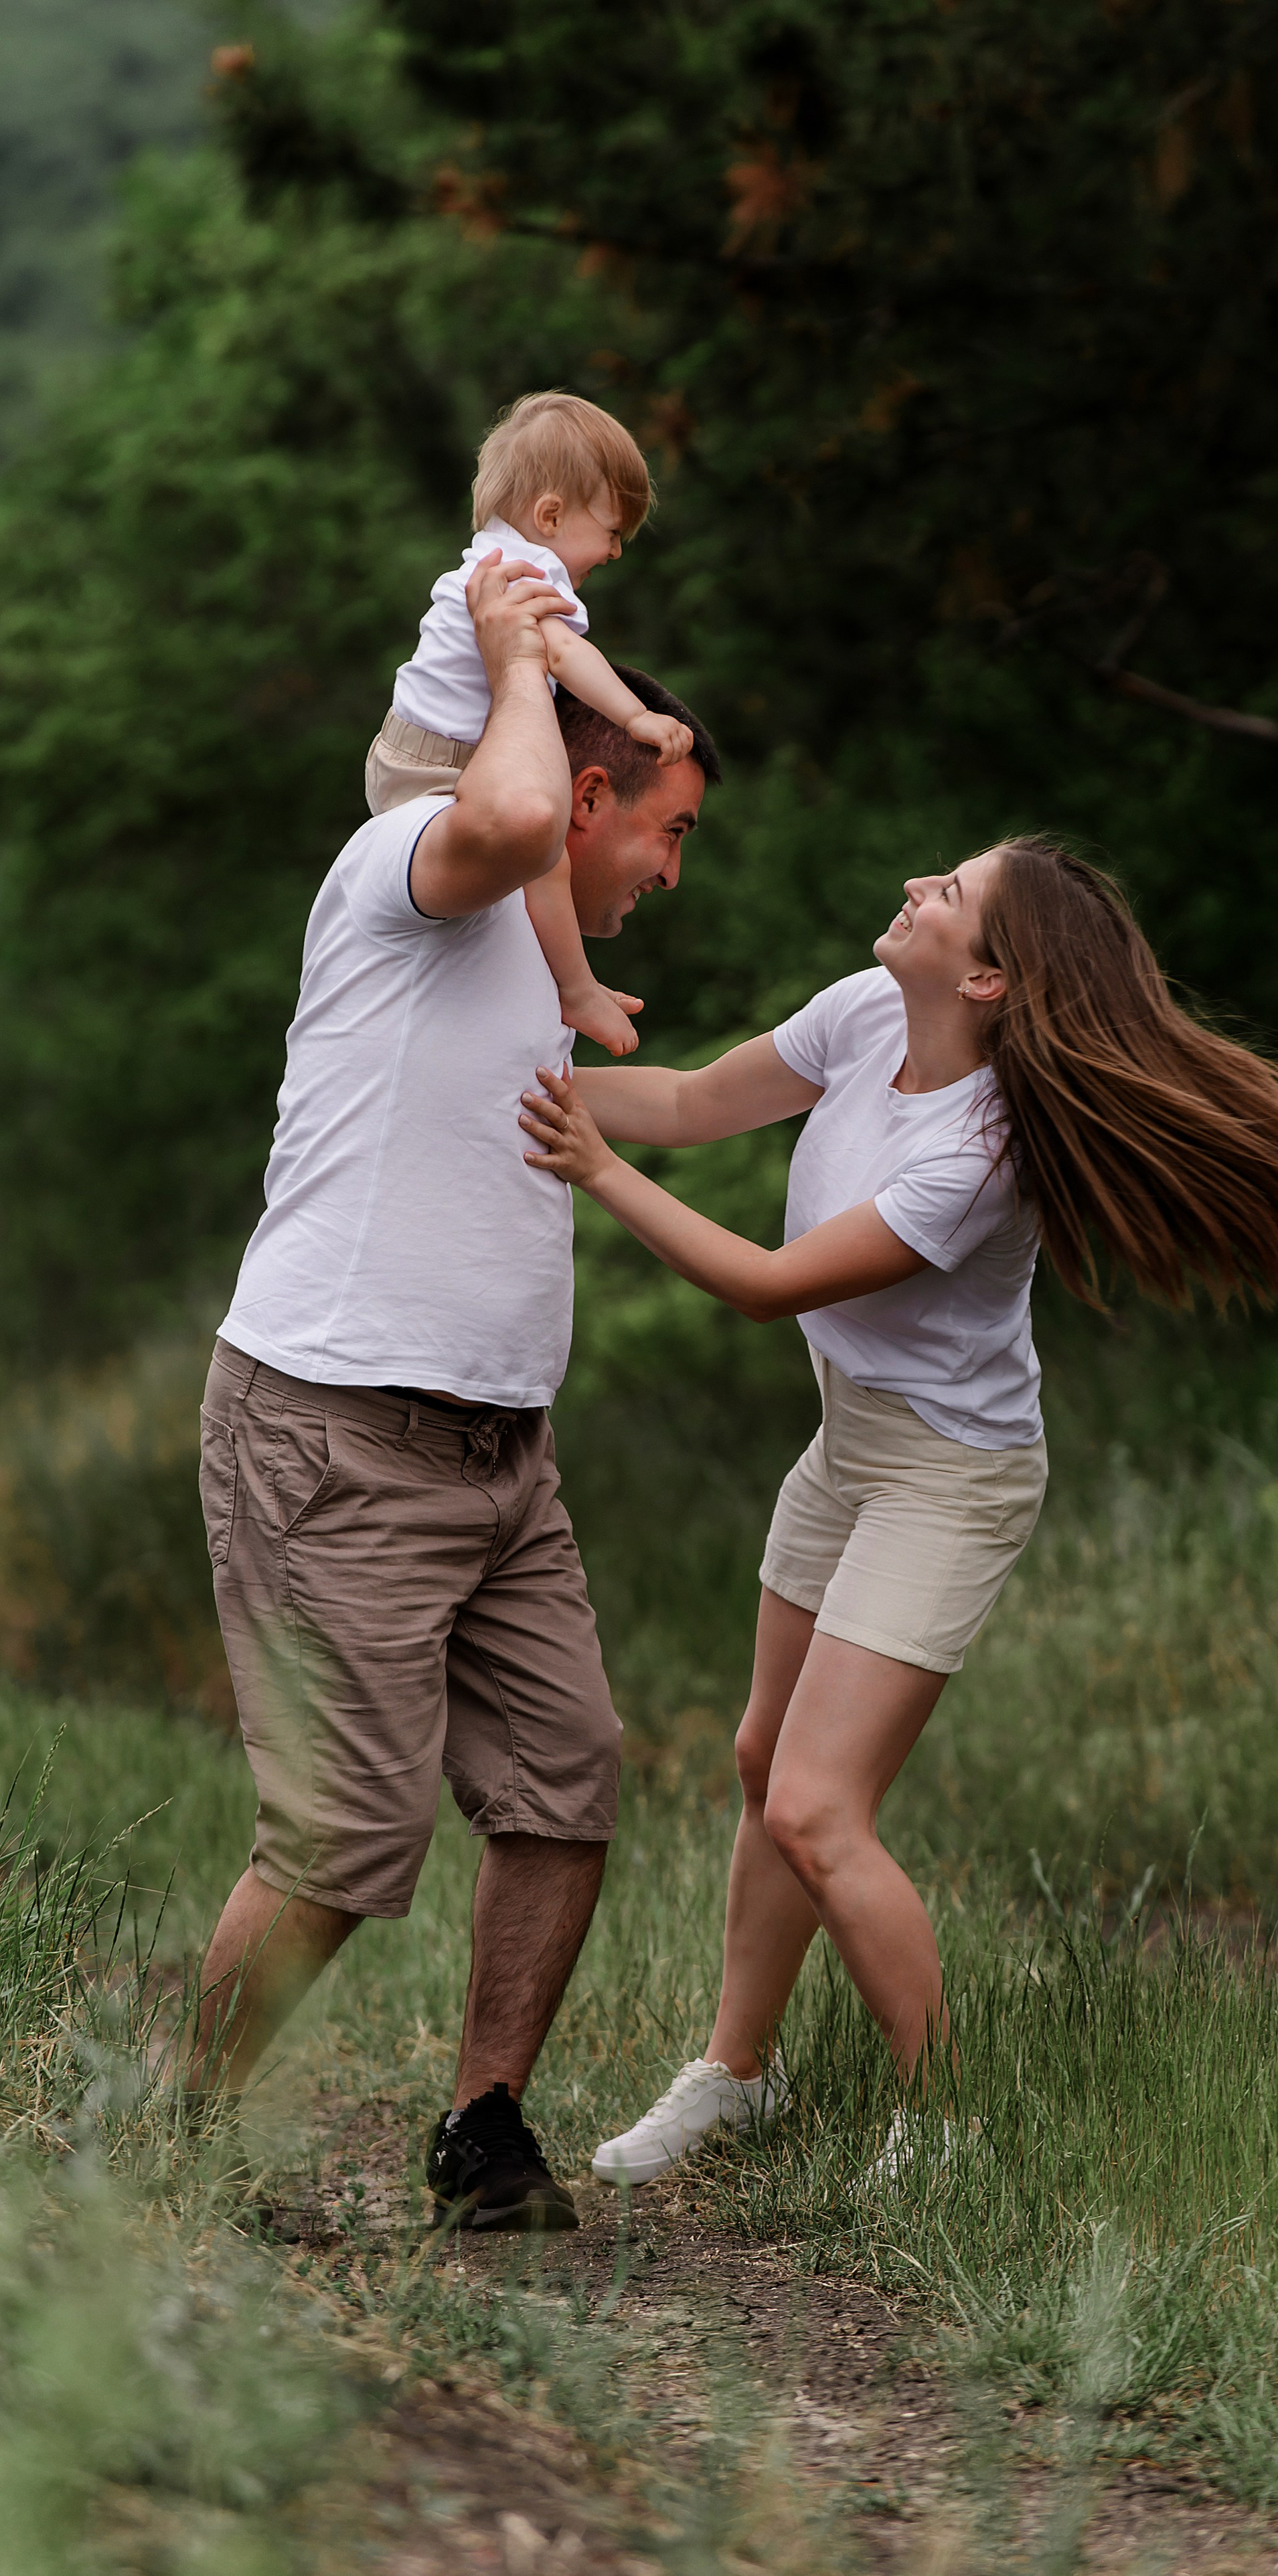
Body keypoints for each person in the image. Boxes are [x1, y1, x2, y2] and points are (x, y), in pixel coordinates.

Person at [515, 836, 1278, 2182]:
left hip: (949, 1475)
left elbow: (767, 1285)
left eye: (954, 893)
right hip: (849, 1441)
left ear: (986, 978)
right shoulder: (868, 1011)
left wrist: (593, 1168)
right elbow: (688, 1101)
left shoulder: (981, 1153)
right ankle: (737, 2074)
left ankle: (945, 2126)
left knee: (817, 1807)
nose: (921, 884)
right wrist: (520, 1090)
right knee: (763, 1762)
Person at [193, 548, 721, 2233]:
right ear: (585, 795)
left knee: (566, 1783)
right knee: (345, 1839)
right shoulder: (417, 865)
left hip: (503, 1455)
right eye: (668, 829)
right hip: (336, 1431)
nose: (672, 869)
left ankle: (483, 2131)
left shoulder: (547, 953)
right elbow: (505, 812)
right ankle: (169, 2149)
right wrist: (514, 663)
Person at [368, 390, 694, 1060]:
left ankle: (532, 996)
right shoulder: (531, 574)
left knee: (501, 894)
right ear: (550, 516)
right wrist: (636, 716)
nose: (614, 552)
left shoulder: (484, 559)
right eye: (612, 531)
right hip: (446, 765)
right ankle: (575, 989)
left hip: (403, 751)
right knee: (545, 855)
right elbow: (566, 655)